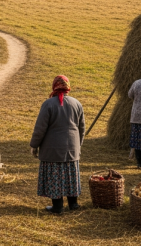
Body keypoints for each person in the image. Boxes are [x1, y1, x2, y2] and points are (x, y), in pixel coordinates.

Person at [29, 75, 85, 214]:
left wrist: (34, 145)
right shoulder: (76, 103)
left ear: (55, 86)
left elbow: (40, 128)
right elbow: (81, 128)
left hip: (53, 149)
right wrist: (78, 146)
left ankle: (58, 207)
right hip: (72, 148)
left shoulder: (48, 104)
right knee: (70, 176)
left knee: (56, 177)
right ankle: (73, 204)